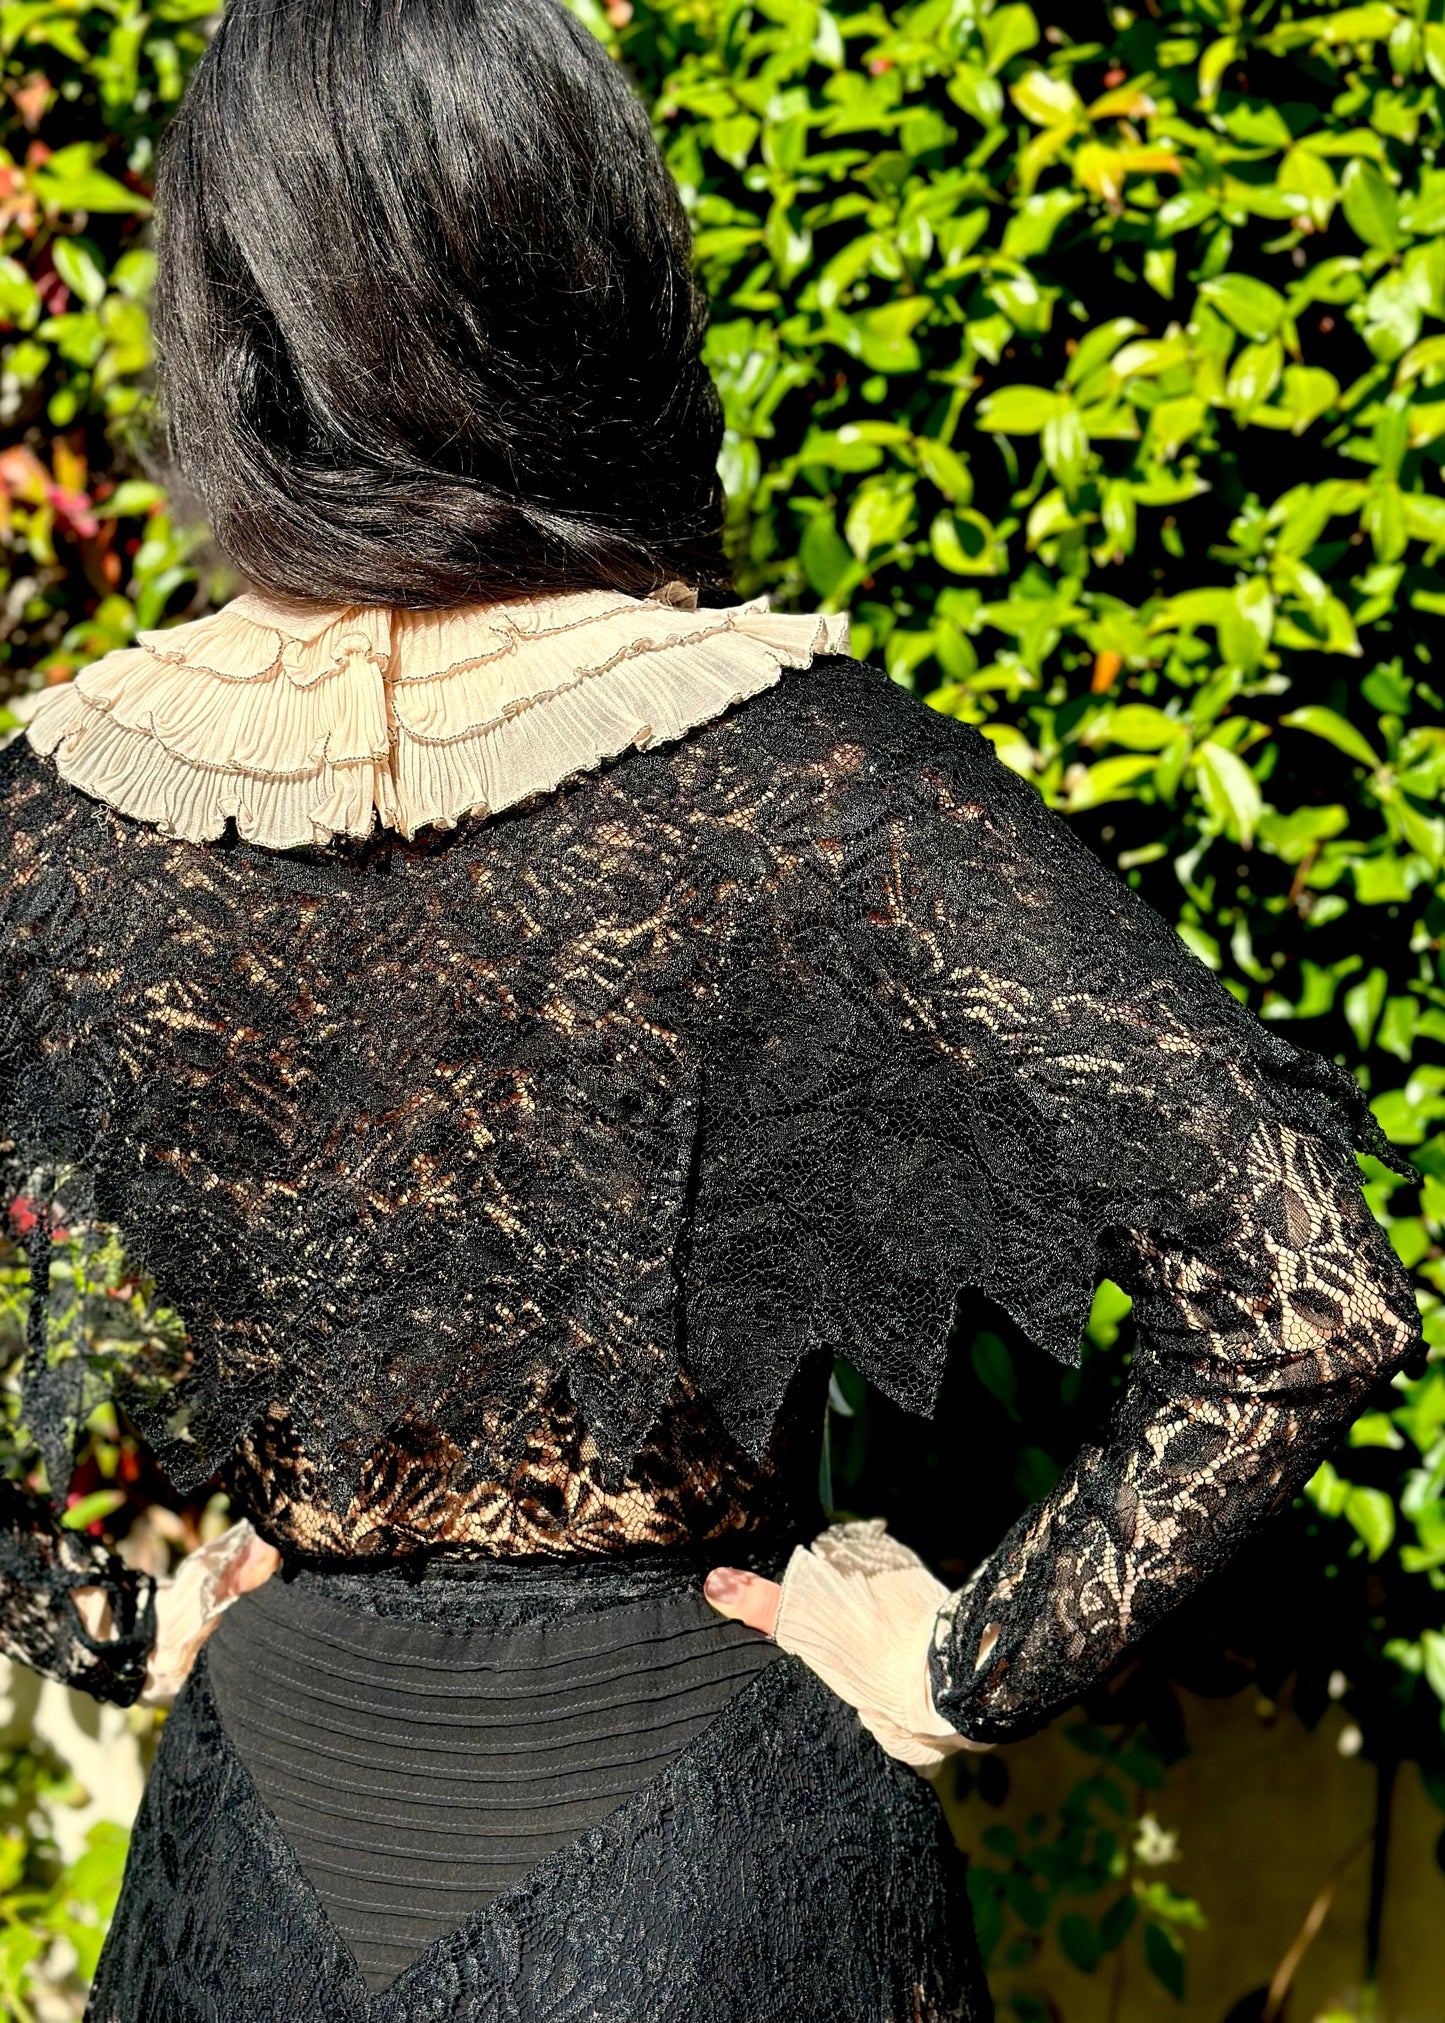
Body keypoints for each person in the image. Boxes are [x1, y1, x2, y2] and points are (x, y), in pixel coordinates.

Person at [0, 1, 1419, 2017]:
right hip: (712, 1888)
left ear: (236, 302)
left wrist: (94, 1614)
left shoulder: (69, 810)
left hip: (262, 1875)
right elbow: (1310, 1292)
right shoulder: (804, 776)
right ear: (585, 270)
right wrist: (964, 1657)